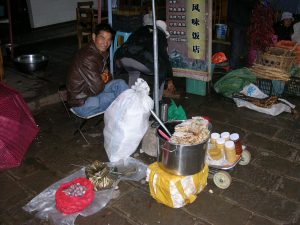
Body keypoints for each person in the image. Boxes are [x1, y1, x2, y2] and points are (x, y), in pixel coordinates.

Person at [66, 23, 128, 117]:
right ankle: (130, 118)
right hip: (83, 103)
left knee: (121, 85)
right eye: (102, 38)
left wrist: (102, 78)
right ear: (94, 37)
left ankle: (130, 114)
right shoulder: (88, 57)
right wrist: (102, 77)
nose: (105, 43)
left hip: (92, 93)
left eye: (108, 39)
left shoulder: (100, 53)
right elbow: (97, 88)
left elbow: (109, 78)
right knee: (122, 99)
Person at [114, 20, 178, 99]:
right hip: (141, 59)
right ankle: (157, 102)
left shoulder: (141, 29)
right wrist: (169, 79)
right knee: (161, 71)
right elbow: (164, 58)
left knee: (133, 74)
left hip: (123, 57)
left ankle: (131, 101)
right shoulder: (161, 36)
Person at [227, 0, 256, 70]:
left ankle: (235, 65)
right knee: (239, 44)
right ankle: (235, 65)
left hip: (236, 20)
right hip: (241, 20)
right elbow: (251, 4)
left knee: (237, 44)